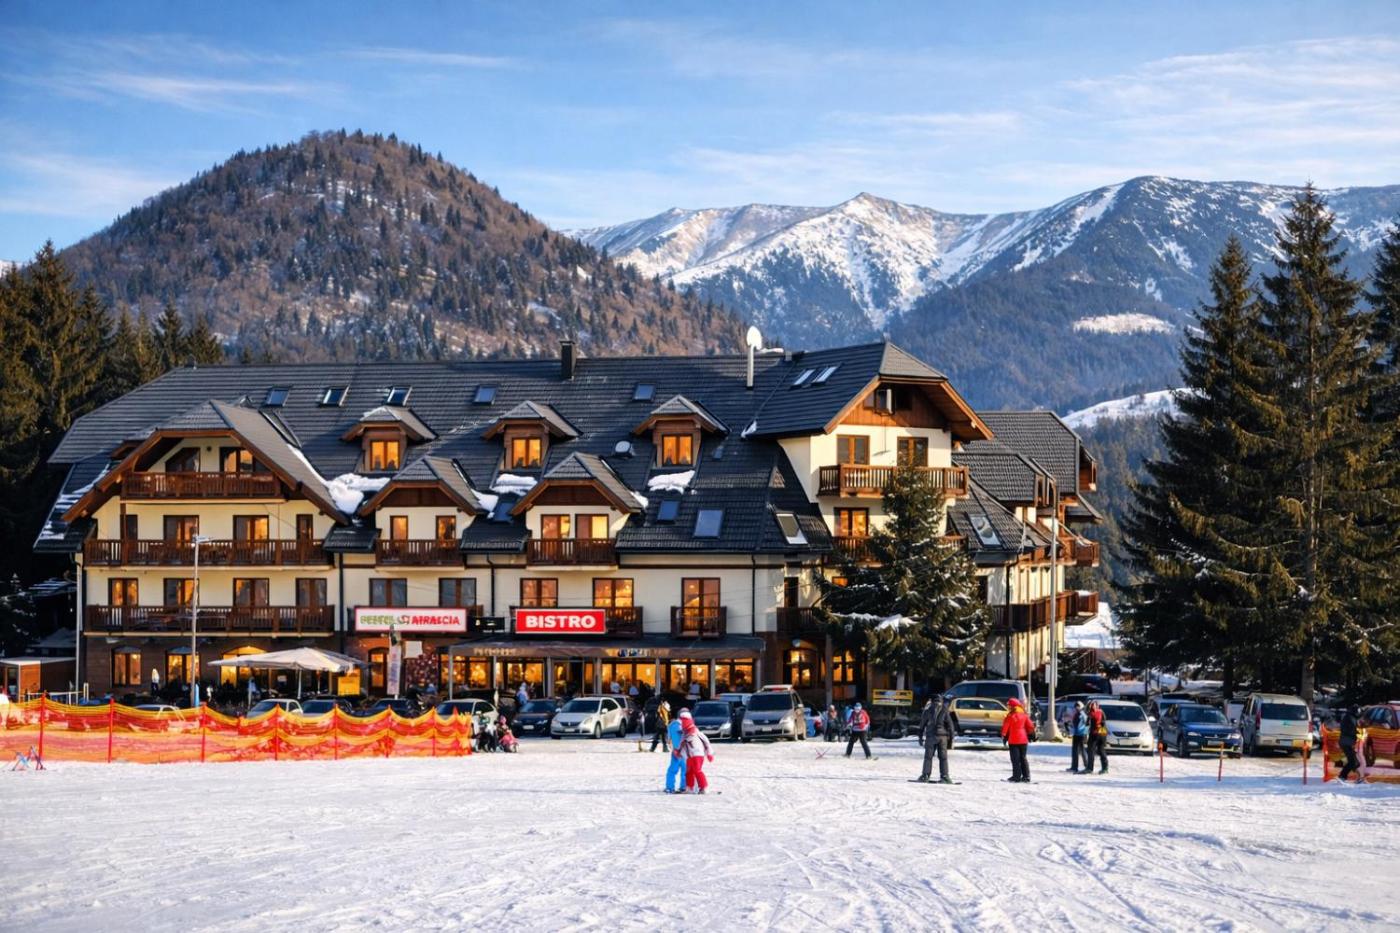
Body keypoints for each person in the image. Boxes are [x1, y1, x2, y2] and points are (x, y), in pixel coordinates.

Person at [917, 695, 955, 783]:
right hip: (943, 738)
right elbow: (951, 725)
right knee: (943, 758)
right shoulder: (945, 711)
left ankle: (925, 775)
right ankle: (945, 776)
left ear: (931, 701)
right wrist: (951, 738)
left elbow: (922, 725)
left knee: (928, 757)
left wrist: (920, 737)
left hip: (931, 737)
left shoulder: (927, 711)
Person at [678, 709, 715, 793]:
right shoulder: (684, 734)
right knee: (689, 772)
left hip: (697, 754)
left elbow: (706, 742)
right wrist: (679, 752)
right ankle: (689, 787)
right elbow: (682, 745)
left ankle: (703, 787)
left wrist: (709, 753)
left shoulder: (696, 732)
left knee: (697, 770)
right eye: (682, 721)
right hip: (689, 756)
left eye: (684, 721)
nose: (683, 723)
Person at [1001, 698, 1033, 782]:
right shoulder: (1024, 715)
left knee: (1015, 759)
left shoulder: (1010, 716)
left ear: (1013, 706)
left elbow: (1005, 727)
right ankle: (1026, 776)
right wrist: (1031, 734)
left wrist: (1004, 736)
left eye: (1009, 706)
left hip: (1013, 740)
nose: (1008, 707)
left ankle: (1016, 776)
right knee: (1023, 758)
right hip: (1023, 740)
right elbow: (1030, 726)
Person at [1338, 705, 1361, 782]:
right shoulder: (1350, 718)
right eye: (1358, 711)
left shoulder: (1351, 717)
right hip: (1346, 742)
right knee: (1353, 761)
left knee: (1353, 761)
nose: (1358, 713)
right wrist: (1356, 732)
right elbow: (1349, 729)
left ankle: (1343, 775)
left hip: (1347, 742)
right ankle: (1343, 776)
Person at [664, 712, 686, 793]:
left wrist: (673, 747)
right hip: (685, 751)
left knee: (672, 770)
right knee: (685, 770)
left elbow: (669, 739)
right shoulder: (685, 725)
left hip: (676, 751)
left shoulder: (671, 726)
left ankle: (670, 787)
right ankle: (684, 786)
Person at [1085, 700, 1109, 774]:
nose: (1092, 707)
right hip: (1102, 733)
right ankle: (1105, 768)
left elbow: (1088, 719)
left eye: (1093, 705)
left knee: (1091, 750)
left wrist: (1089, 707)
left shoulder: (1093, 713)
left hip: (1096, 734)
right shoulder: (1101, 712)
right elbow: (1103, 720)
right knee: (1101, 750)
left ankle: (1089, 768)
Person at [1069, 701, 1089, 774]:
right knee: (1075, 750)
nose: (1076, 708)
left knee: (1081, 750)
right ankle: (1074, 766)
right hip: (1076, 733)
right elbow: (1075, 724)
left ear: (1081, 707)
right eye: (1075, 706)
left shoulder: (1082, 715)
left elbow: (1086, 724)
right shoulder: (1077, 714)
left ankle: (1086, 765)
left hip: (1081, 734)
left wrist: (1084, 732)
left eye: (1078, 706)